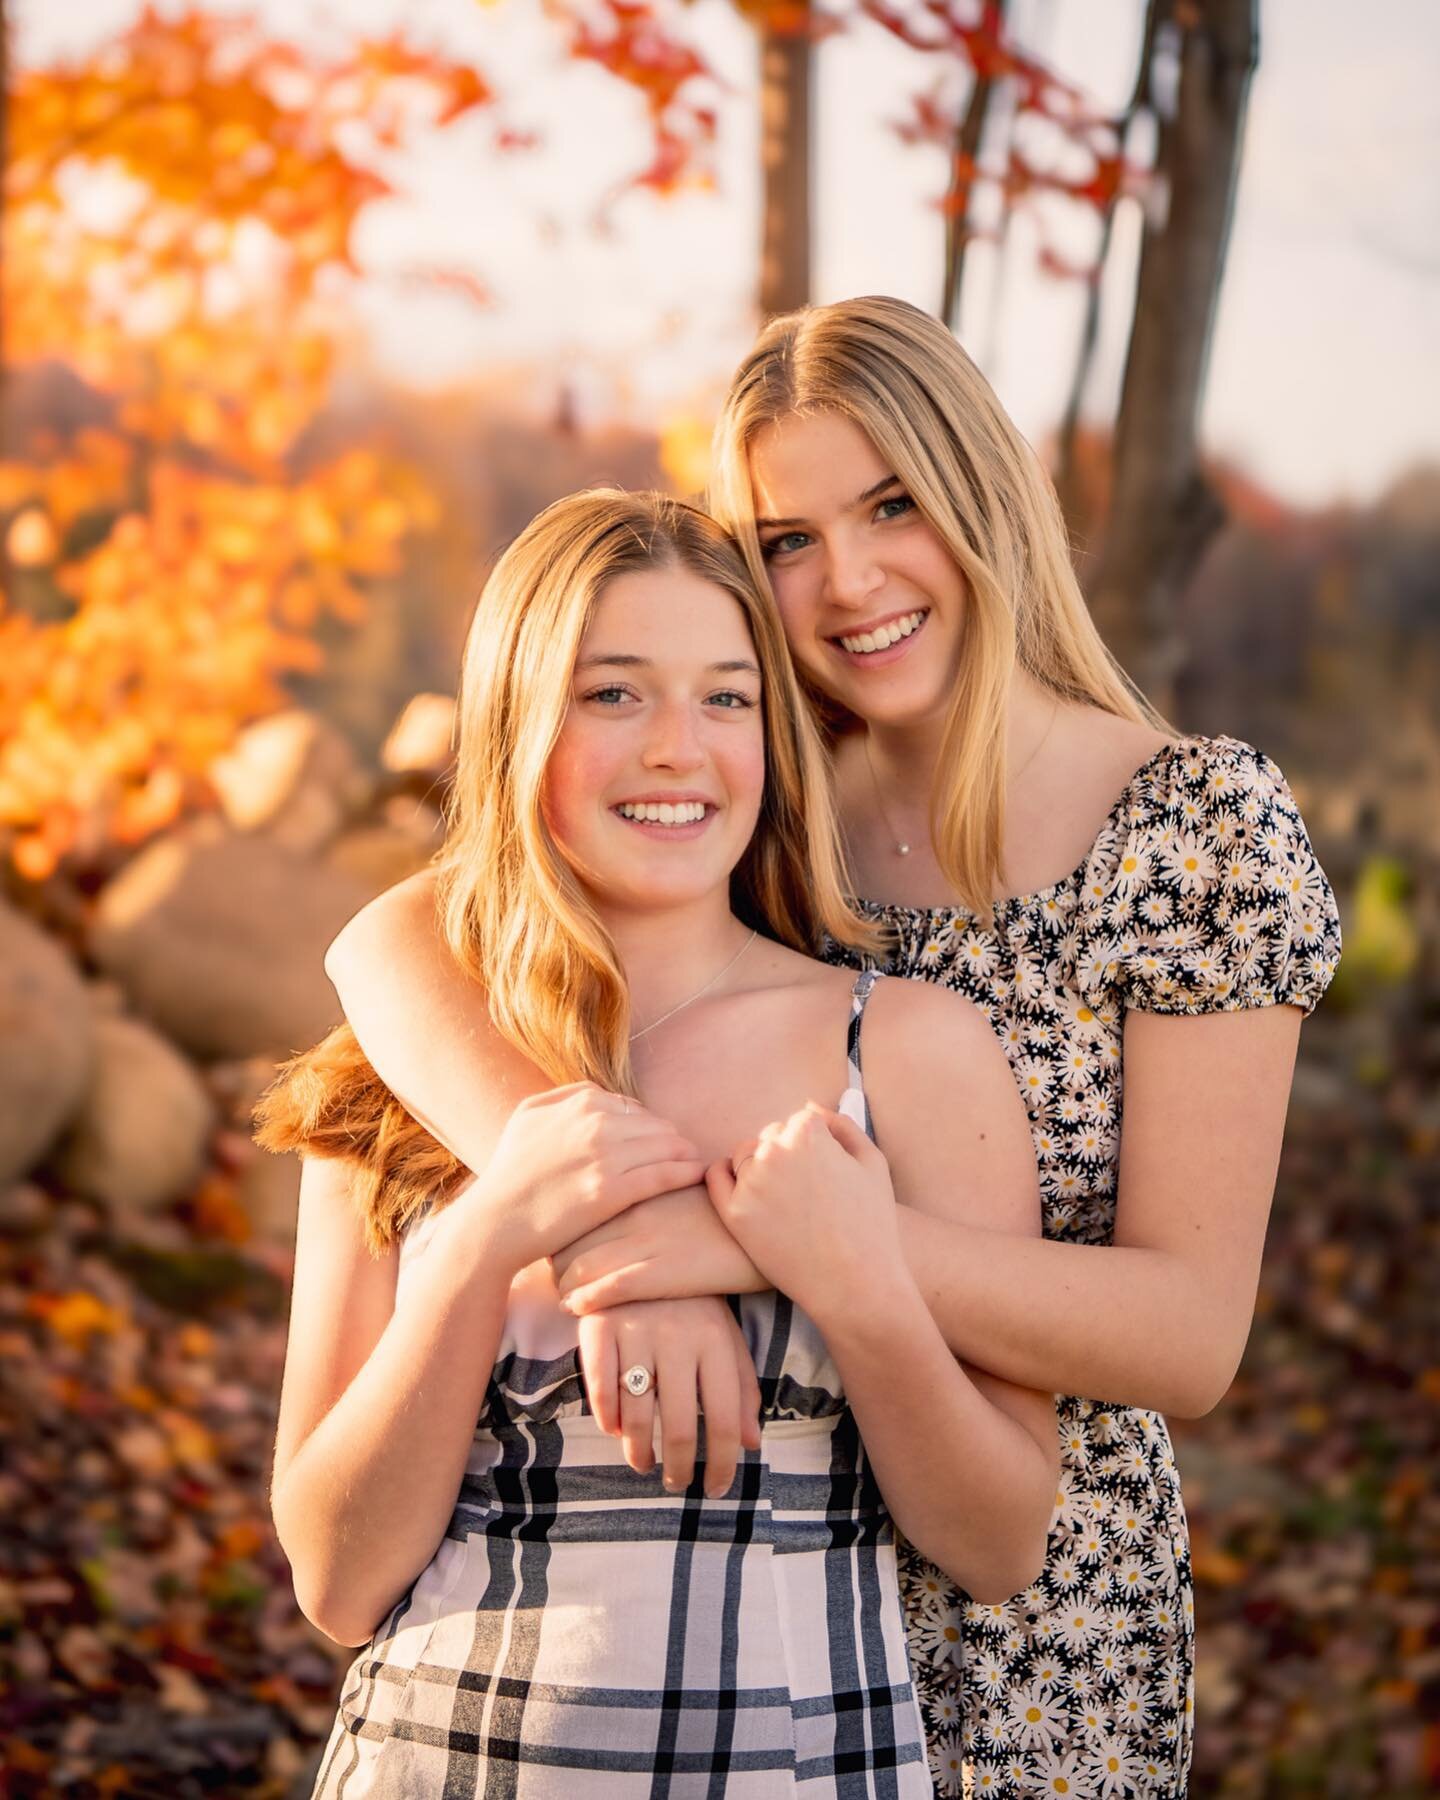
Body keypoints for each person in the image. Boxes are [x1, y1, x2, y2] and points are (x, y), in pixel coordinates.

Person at [323, 299, 1342, 1798]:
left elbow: (1187, 1336)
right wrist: (621, 1215)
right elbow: (395, 940)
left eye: (891, 506)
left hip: (1026, 1616)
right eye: (786, 540)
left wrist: (762, 1240)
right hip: (734, 1579)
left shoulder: (1187, 832)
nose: (848, 579)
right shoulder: (766, 789)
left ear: (982, 495)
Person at [259, 488, 1059, 1797]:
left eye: (728, 698)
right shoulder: (401, 1070)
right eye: (612, 694)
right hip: (445, 1761)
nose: (678, 749)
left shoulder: (905, 1050)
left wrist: (861, 1288)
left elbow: (1000, 1544)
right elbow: (338, 1581)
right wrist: (489, 1246)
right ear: (520, 722)